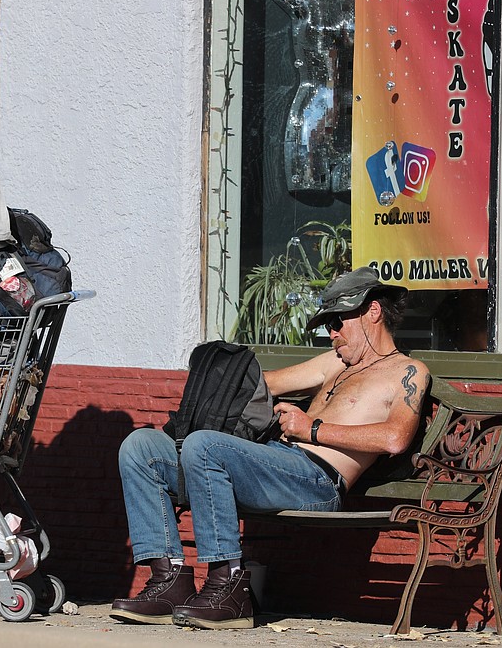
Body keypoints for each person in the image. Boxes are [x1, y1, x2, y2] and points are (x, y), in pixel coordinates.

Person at [110, 266, 431, 630]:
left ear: (372, 311)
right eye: (329, 325)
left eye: (338, 322)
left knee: (205, 447)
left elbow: (395, 438)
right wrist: (219, 377)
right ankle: (170, 580)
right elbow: (259, 386)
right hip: (275, 464)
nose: (332, 334)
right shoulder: (335, 363)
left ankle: (229, 586)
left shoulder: (407, 372)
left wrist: (312, 428)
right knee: (142, 447)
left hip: (318, 480)